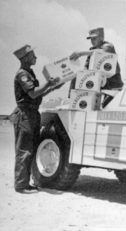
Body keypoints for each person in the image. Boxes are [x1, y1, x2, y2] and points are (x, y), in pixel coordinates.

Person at [11, 45, 61, 193]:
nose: (35, 57)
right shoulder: (22, 74)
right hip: (25, 114)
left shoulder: (29, 72)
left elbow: (37, 93)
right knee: (24, 150)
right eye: (33, 55)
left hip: (32, 114)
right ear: (25, 58)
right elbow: (32, 94)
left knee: (31, 149)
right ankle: (21, 185)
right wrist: (48, 84)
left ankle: (26, 183)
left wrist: (52, 87)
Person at [69, 27, 123, 93]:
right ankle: (73, 99)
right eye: (91, 39)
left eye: (94, 38)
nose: (92, 41)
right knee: (76, 78)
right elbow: (86, 67)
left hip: (112, 83)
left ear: (101, 38)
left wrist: (81, 53)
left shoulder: (108, 46)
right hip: (98, 82)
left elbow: (101, 53)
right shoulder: (91, 50)